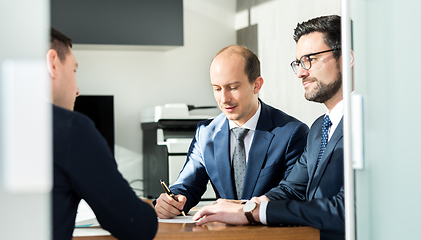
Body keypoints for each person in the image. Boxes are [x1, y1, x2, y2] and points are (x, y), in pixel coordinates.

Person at [192, 15, 351, 240]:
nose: (300, 72)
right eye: (298, 63)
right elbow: (292, 189)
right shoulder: (319, 128)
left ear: (346, 59)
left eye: (310, 60)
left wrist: (253, 213)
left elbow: (347, 210)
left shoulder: (370, 125)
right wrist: (245, 207)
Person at [155, 45, 309, 219]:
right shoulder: (206, 133)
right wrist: (173, 200)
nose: (224, 99)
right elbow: (187, 184)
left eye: (233, 87)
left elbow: (292, 192)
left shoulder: (292, 133)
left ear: (257, 85)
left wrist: (246, 209)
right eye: (217, 88)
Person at [49, 28, 158, 240]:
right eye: (74, 71)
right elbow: (136, 226)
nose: (77, 90)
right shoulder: (70, 129)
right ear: (53, 63)